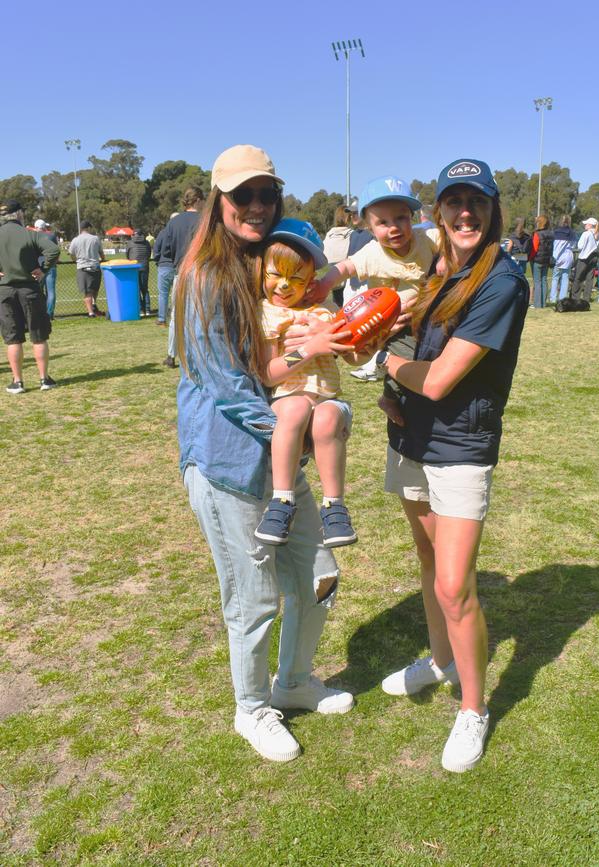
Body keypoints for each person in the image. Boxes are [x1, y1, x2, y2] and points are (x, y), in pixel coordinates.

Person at [175, 144, 354, 764]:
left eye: (266, 194)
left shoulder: (275, 267)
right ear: (219, 201)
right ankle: (251, 708)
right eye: (242, 195)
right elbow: (227, 385)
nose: (256, 206)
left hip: (281, 462)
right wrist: (299, 433)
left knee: (318, 574)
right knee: (252, 597)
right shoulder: (205, 276)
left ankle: (294, 681)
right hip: (229, 465)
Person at [377, 158, 528, 773]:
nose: (466, 214)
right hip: (411, 434)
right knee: (427, 557)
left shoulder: (501, 281)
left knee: (453, 584)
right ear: (438, 213)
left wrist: (387, 366)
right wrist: (395, 388)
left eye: (478, 204)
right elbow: (425, 353)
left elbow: (438, 380)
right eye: (454, 203)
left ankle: (473, 708)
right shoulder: (442, 273)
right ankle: (440, 661)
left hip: (460, 447)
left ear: (493, 213)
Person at [253, 218, 357, 548]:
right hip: (289, 396)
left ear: (311, 279)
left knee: (326, 417)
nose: (284, 286)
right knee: (296, 407)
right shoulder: (268, 314)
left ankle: (335, 507)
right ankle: (281, 501)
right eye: (276, 275)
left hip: (326, 397)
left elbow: (352, 354)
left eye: (296, 278)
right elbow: (268, 373)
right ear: (261, 270)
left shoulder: (325, 308)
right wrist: (309, 349)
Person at [312, 176, 441, 423]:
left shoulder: (427, 239)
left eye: (401, 218)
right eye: (383, 222)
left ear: (412, 218)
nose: (394, 227)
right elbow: (345, 267)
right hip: (391, 324)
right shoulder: (373, 252)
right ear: (370, 228)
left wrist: (445, 261)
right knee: (407, 357)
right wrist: (324, 285)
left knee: (433, 354)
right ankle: (390, 399)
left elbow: (451, 243)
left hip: (424, 315)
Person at [0, 199, 60, 392]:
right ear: (19, 214)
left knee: (13, 338)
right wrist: (43, 269)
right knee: (38, 335)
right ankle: (44, 379)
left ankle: (17, 382)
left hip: (5, 291)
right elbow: (53, 250)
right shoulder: (30, 234)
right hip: (30, 290)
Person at [161, 186, 205, 368]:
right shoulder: (205, 220)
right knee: (202, 317)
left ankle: (171, 355)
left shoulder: (173, 222)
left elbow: (166, 250)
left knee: (176, 317)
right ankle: (200, 354)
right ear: (198, 200)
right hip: (202, 275)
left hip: (181, 274)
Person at [68, 220, 106, 317]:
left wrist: (75, 260)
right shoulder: (95, 239)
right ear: (88, 228)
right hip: (95, 267)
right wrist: (103, 259)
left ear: (81, 229)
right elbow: (101, 253)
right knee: (95, 289)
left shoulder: (75, 240)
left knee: (87, 292)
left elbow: (71, 253)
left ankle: (91, 312)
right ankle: (94, 305)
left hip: (82, 268)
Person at [322, 205, 354, 308]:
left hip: (332, 275)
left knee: (337, 306)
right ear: (349, 218)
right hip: (348, 275)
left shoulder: (329, 234)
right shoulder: (352, 234)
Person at [152, 213, 178, 327]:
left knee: (163, 294)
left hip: (164, 266)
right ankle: (178, 318)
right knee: (178, 294)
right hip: (178, 266)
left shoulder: (163, 233)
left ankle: (162, 319)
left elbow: (156, 251)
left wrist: (158, 262)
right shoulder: (180, 232)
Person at [548, 215, 577, 305]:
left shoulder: (555, 232)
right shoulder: (572, 233)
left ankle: (553, 298)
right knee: (565, 278)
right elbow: (573, 246)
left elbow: (552, 245)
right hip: (567, 258)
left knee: (555, 278)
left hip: (557, 257)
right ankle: (562, 298)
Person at [570, 217, 599, 303]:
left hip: (584, 258)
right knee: (589, 279)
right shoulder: (598, 234)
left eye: (586, 224)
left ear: (590, 225)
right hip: (594, 257)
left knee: (578, 278)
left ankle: (575, 297)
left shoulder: (586, 234)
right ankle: (586, 298)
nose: (585, 225)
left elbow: (580, 246)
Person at [34, 219, 58, 319]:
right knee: (51, 291)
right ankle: (49, 314)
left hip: (38, 267)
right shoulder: (52, 236)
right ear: (44, 227)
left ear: (36, 227)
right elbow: (56, 251)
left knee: (38, 291)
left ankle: (39, 312)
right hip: (51, 265)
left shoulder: (33, 236)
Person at [528, 214, 554, 308]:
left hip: (537, 260)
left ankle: (537, 304)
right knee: (544, 280)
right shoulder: (551, 234)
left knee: (537, 282)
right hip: (546, 260)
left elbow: (534, 248)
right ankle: (543, 303)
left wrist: (530, 258)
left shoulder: (537, 234)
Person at [125, 229, 152, 316]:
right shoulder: (146, 242)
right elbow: (149, 253)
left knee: (136, 289)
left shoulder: (130, 243)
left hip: (134, 267)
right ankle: (148, 309)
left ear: (134, 234)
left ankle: (141, 310)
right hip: (144, 266)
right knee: (145, 289)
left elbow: (127, 255)